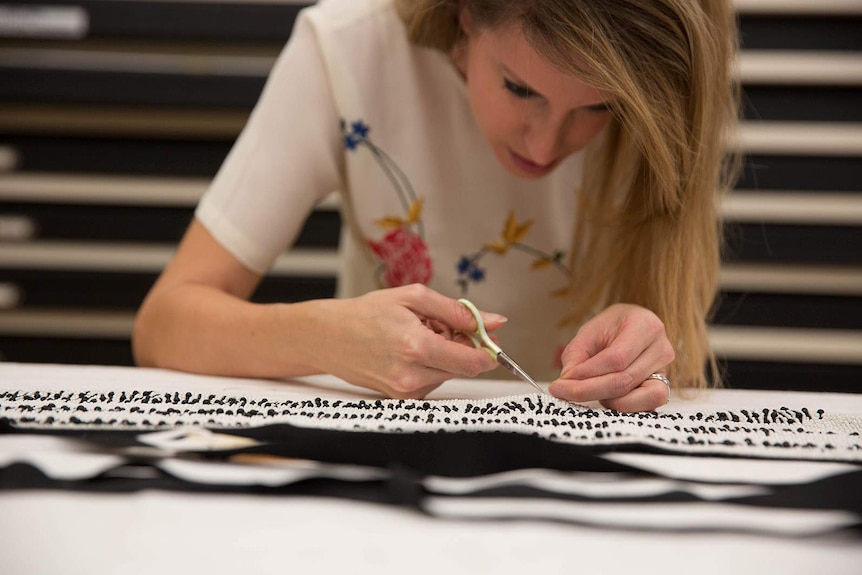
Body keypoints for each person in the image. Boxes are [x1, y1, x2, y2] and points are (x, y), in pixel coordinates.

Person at [133, 0, 740, 413]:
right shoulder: (348, 47)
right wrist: (323, 338)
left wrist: (648, 351)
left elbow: (667, 345)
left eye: (597, 109)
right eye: (520, 88)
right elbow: (163, 325)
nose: (546, 143)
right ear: (467, 12)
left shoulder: (662, 76)